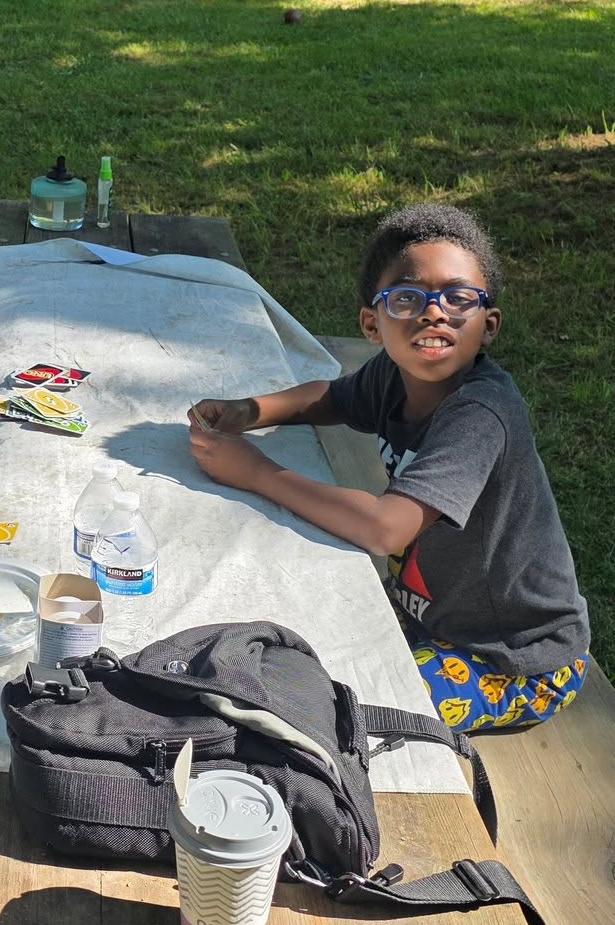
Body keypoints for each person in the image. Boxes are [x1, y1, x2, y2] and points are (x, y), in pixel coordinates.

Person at [187, 203, 590, 732]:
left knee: (346, 708)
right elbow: (331, 398)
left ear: (488, 326)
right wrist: (250, 411)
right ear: (372, 324)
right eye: (407, 298)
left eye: (458, 297)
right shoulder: (394, 377)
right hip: (428, 614)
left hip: (514, 658)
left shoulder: (480, 413)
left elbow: (385, 526)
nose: (434, 311)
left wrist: (256, 472)